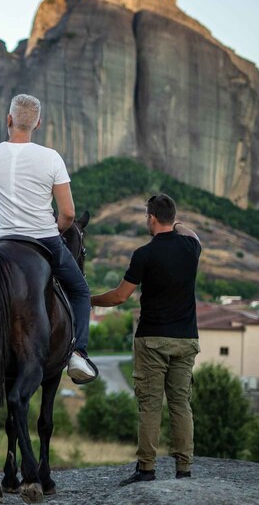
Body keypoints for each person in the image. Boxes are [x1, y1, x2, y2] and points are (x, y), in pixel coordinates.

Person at [0, 94, 97, 383]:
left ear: (9, 120)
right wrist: (56, 228)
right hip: (44, 240)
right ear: (37, 123)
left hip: (1, 239)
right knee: (80, 290)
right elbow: (68, 213)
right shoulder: (51, 157)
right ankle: (78, 353)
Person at [90, 194, 201, 485]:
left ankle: (147, 468)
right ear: (172, 218)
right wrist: (176, 223)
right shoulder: (191, 247)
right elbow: (192, 234)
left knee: (151, 404)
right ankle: (184, 469)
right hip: (186, 338)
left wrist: (87, 299)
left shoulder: (144, 254)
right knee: (180, 402)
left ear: (151, 218)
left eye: (147, 217)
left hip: (152, 338)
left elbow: (119, 296)